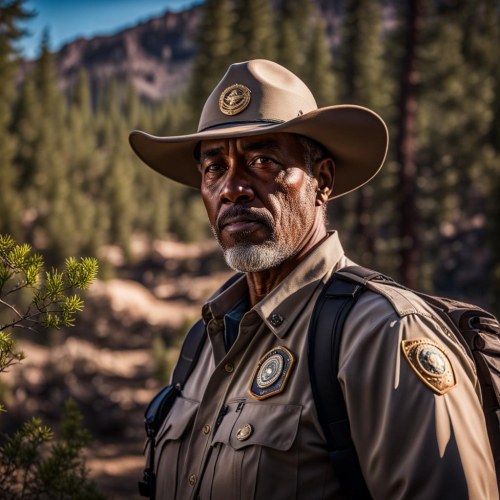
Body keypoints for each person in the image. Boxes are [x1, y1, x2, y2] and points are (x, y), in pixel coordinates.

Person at [129, 59, 498, 499]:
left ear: (321, 181)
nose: (231, 187)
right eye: (214, 168)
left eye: (261, 160)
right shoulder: (204, 342)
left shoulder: (383, 334)